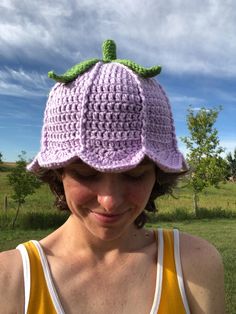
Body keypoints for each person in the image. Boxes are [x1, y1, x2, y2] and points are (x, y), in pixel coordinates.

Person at [0, 39, 225, 314]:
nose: (109, 201)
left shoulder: (196, 264)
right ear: (58, 172)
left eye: (134, 176)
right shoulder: (10, 280)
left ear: (158, 174)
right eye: (85, 174)